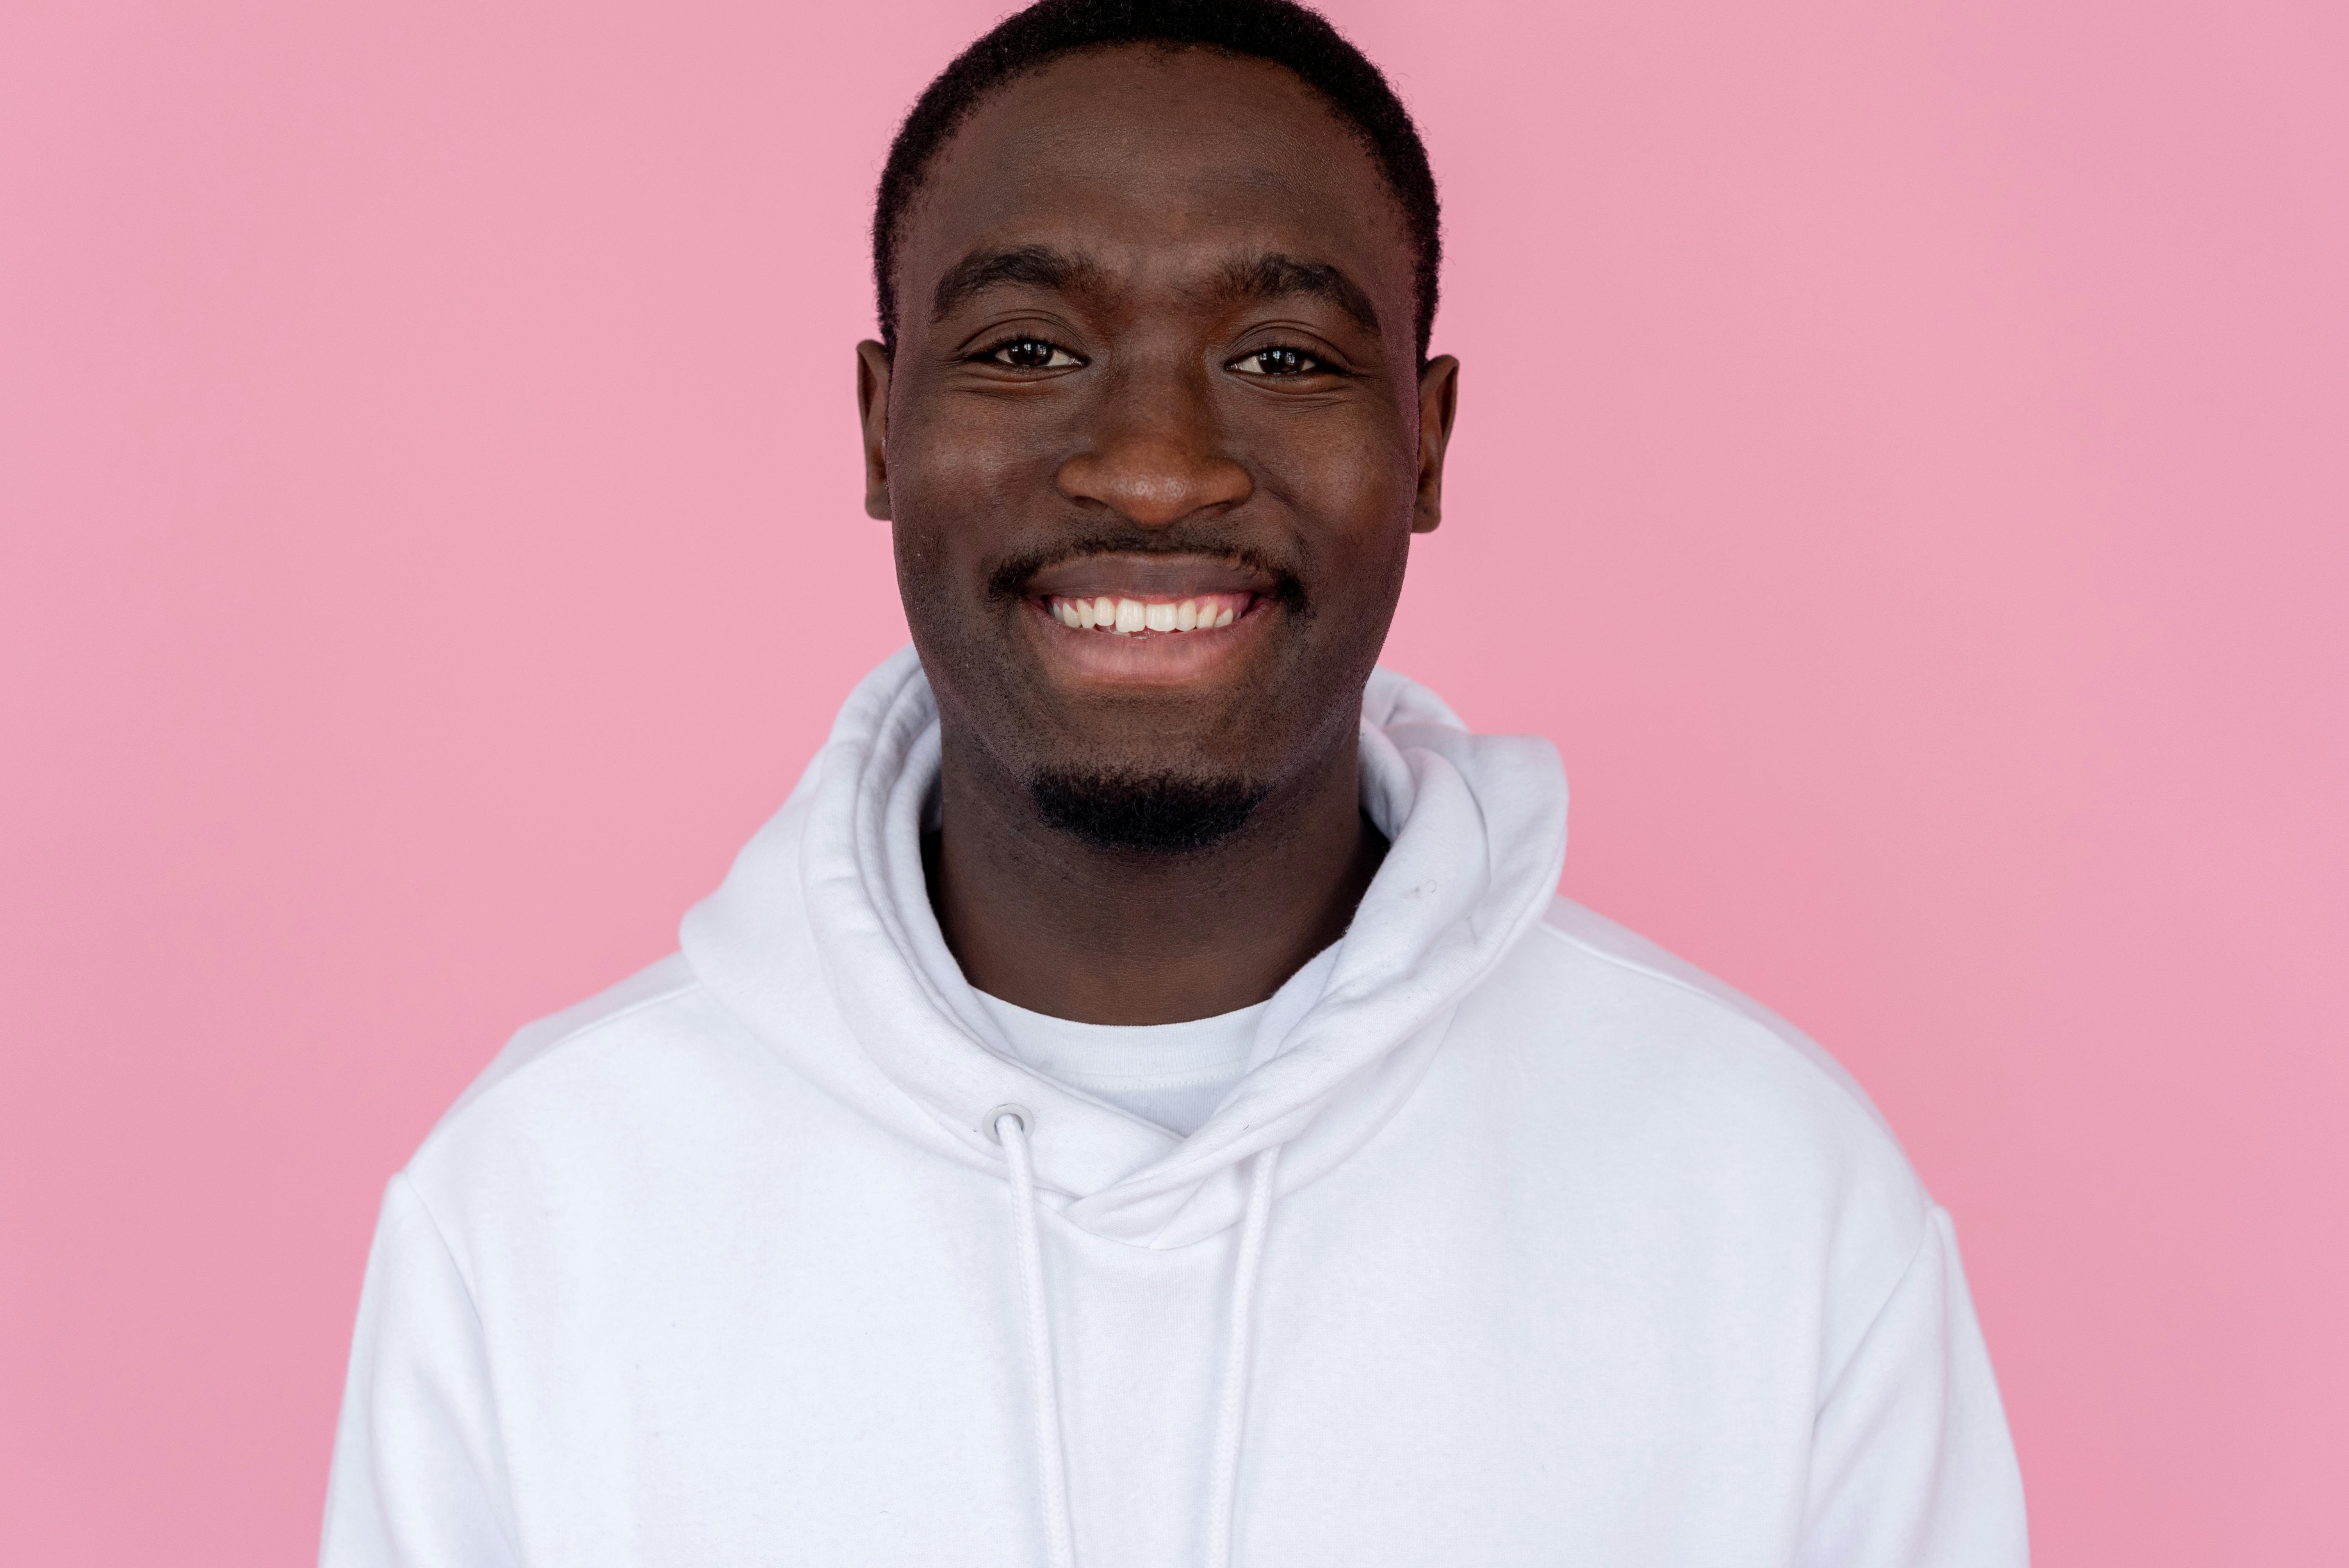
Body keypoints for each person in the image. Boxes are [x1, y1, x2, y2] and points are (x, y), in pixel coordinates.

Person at [319, 2, 2028, 1563]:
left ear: (1425, 444)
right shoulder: (536, 1207)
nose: (1151, 468)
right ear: (877, 426)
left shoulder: (1774, 1198)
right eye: (1026, 348)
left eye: (1282, 357)